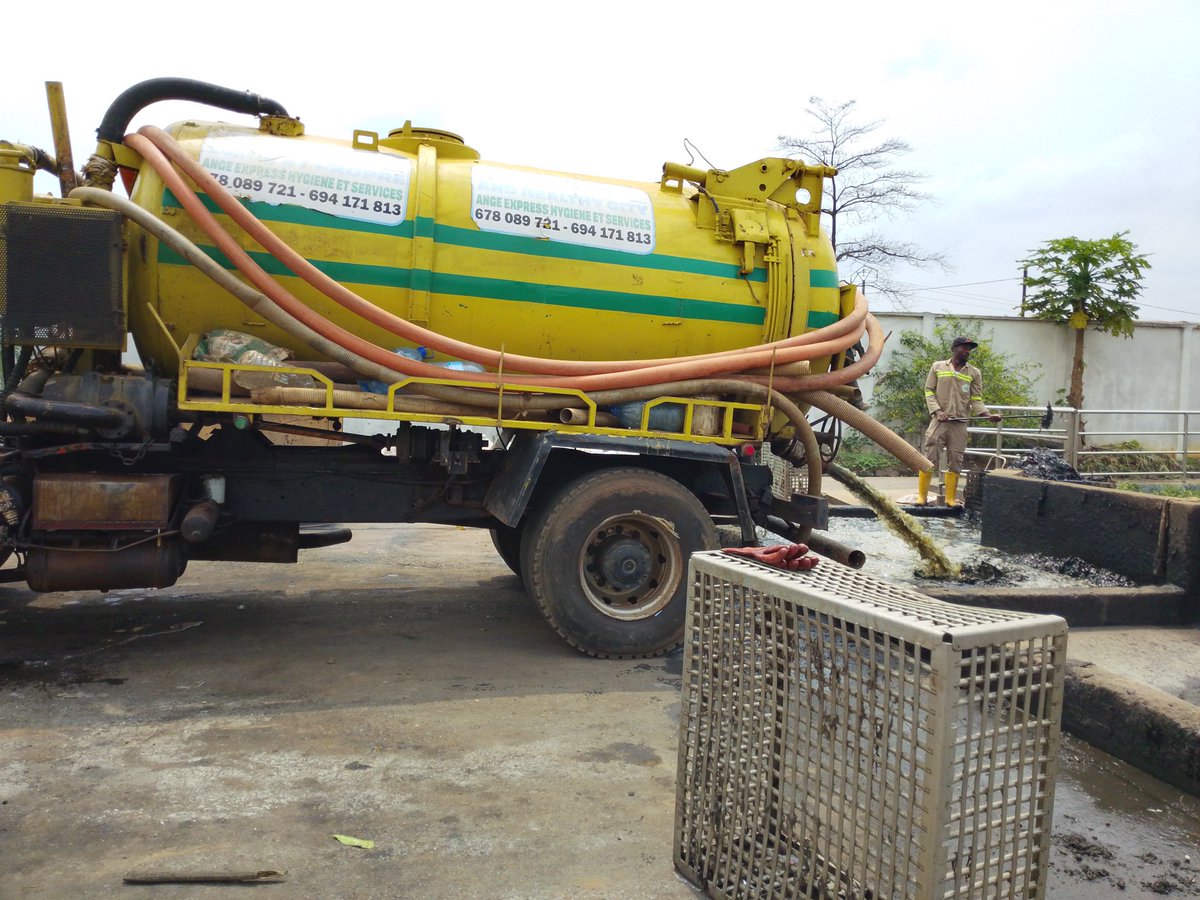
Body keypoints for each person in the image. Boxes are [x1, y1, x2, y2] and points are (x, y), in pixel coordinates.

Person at [918, 336, 1001, 506]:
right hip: (939, 422)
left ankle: (950, 498)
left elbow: (976, 399)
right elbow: (929, 391)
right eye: (964, 348)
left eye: (969, 349)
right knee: (929, 458)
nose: (967, 351)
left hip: (959, 423)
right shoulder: (938, 367)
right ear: (954, 348)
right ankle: (922, 497)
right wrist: (937, 411)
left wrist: (987, 415)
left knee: (956, 460)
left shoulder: (974, 373)